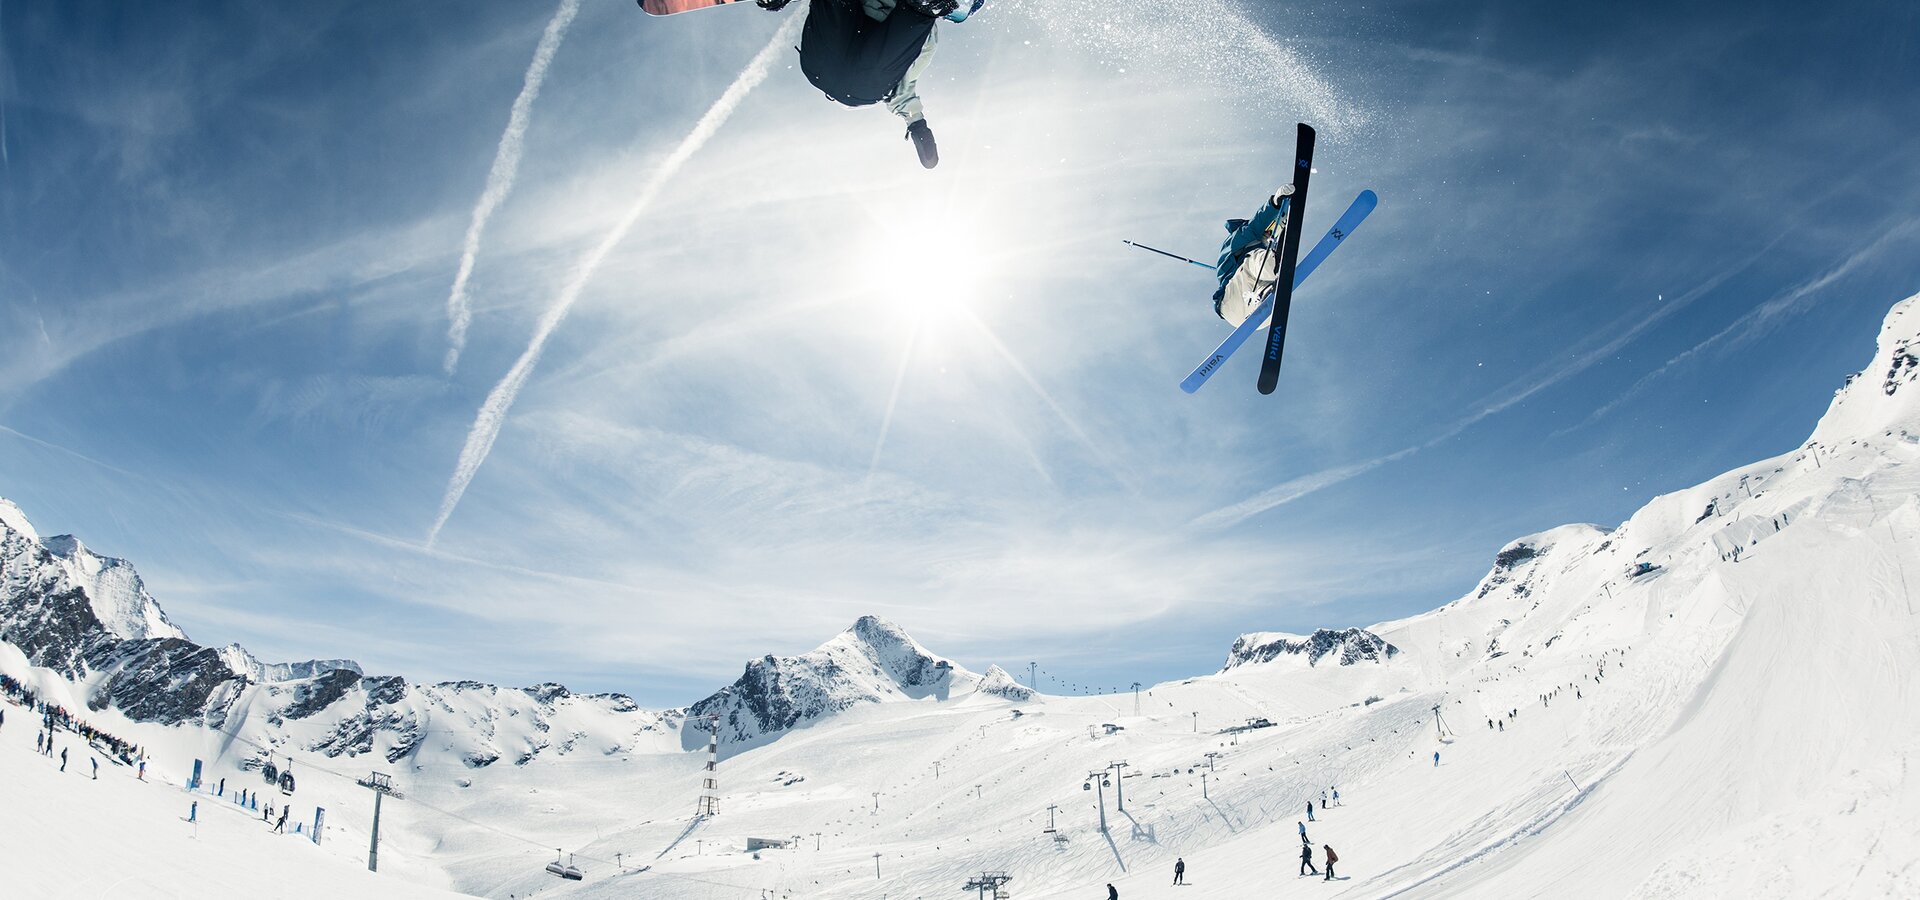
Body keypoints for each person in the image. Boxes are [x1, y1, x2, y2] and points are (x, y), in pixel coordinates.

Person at [758, 0, 985, 169]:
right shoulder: (920, 40)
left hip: (836, 72)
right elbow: (902, 89)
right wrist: (916, 124)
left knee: (912, 22)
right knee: (914, 20)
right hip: (842, 74)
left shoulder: (919, 40)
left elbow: (903, 88)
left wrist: (917, 125)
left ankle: (924, 6)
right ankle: (923, 7)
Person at [1211, 184, 1295, 326]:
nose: (1269, 235)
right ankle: (1273, 269)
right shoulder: (1245, 234)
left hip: (1250, 317)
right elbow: (1259, 220)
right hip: (1232, 301)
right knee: (1253, 262)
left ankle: (1268, 294)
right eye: (1269, 230)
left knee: (1263, 273)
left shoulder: (1256, 249)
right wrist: (1275, 203)